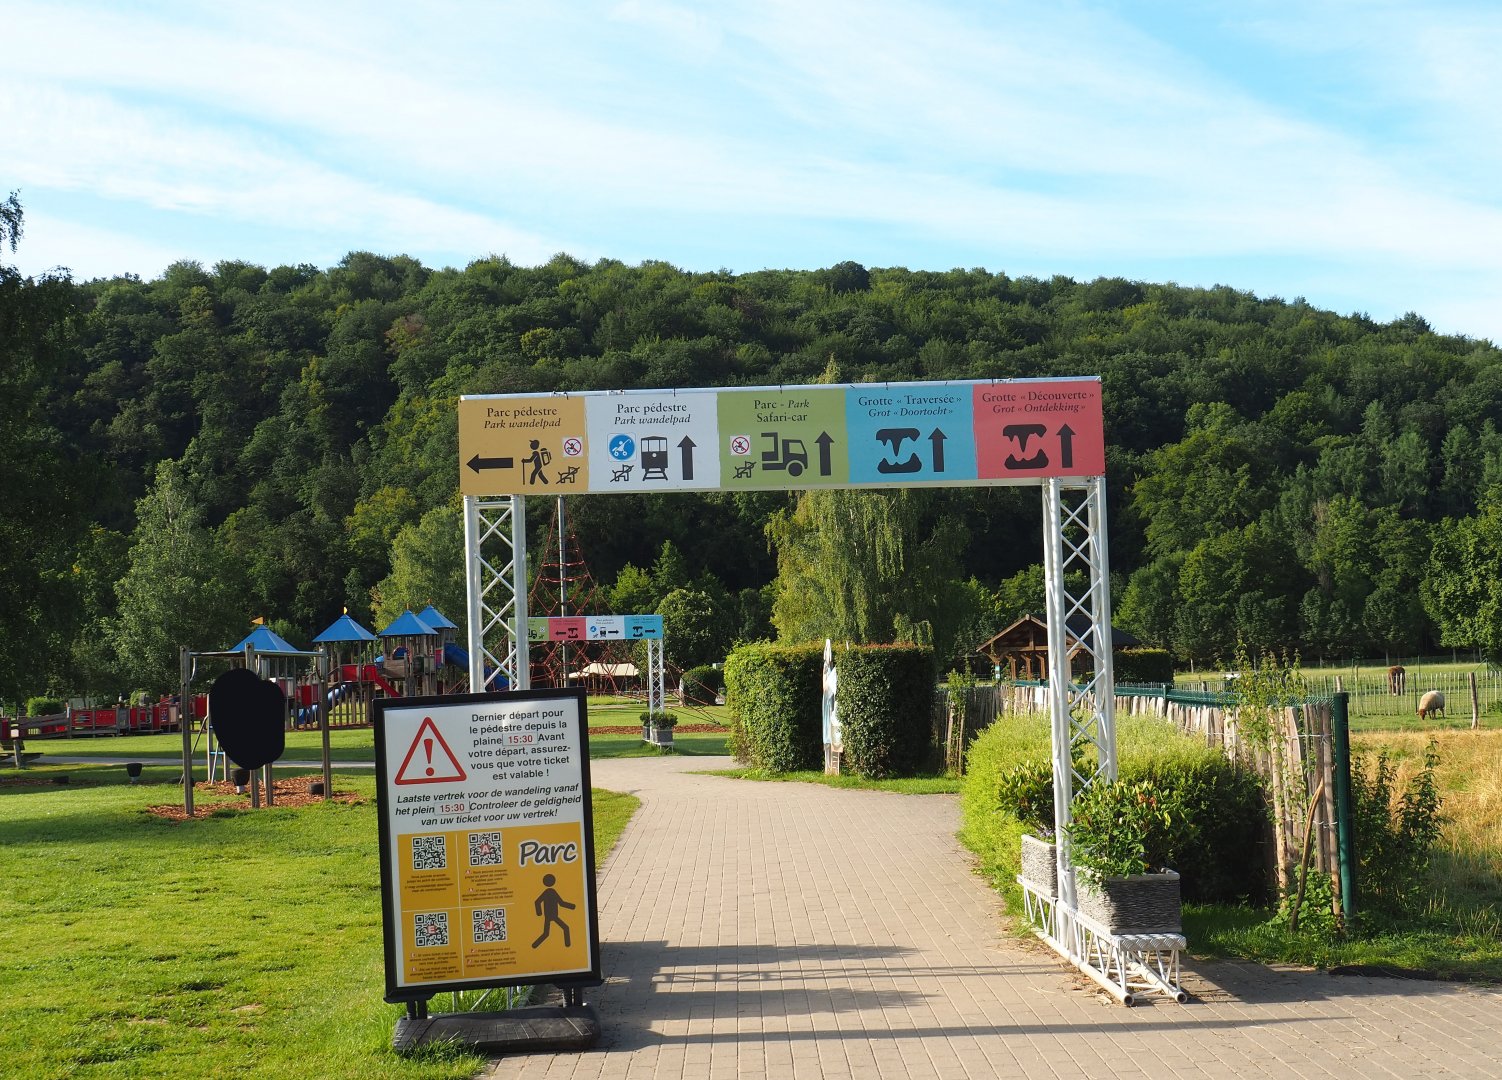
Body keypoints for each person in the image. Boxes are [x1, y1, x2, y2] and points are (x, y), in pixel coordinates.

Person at [531, 873, 575, 948]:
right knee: (564, 928)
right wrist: (572, 906)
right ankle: (567, 945)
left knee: (546, 933)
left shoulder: (549, 892)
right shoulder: (551, 892)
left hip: (551, 916)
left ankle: (535, 945)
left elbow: (537, 902)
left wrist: (539, 913)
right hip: (552, 915)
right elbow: (561, 903)